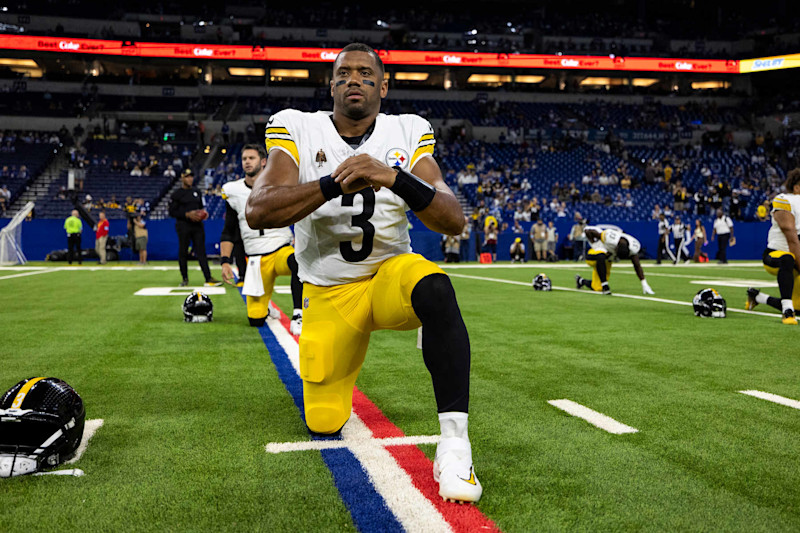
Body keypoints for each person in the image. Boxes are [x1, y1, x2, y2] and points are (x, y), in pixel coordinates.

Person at [245, 43, 481, 503]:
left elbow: (454, 221)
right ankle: (339, 377)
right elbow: (258, 210)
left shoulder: (408, 131)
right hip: (328, 293)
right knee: (324, 422)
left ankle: (455, 446)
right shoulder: (298, 126)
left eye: (366, 74)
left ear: (383, 86)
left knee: (436, 288)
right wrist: (335, 181)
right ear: (330, 84)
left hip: (388, 277)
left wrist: (394, 177)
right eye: (344, 73)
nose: (355, 80)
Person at [220, 144, 303, 333]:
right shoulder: (233, 191)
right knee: (255, 319)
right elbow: (229, 230)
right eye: (244, 159)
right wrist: (225, 261)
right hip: (256, 259)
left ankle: (299, 313)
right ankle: (266, 307)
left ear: (264, 162)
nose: (247, 162)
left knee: (298, 261)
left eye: (252, 158)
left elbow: (301, 212)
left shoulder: (281, 185)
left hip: (281, 250)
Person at [746, 169, 800, 324]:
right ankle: (787, 311)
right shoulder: (786, 200)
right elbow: (793, 240)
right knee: (787, 258)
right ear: (796, 187)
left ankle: (757, 297)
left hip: (797, 260)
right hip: (776, 255)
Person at [168, 169, 221, 286]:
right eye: (187, 177)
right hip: (183, 225)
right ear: (182, 178)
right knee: (183, 251)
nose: (190, 179)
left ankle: (208, 277)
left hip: (197, 225)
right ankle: (184, 278)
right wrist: (186, 214)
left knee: (201, 251)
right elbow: (171, 212)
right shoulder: (176, 194)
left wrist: (204, 214)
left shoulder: (197, 191)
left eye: (191, 176)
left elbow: (201, 207)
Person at [576, 227, 655, 295]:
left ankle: (581, 281)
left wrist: (644, 283)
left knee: (597, 287)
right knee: (601, 255)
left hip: (607, 259)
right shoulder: (609, 237)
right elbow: (588, 231)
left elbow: (637, 265)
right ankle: (605, 285)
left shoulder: (634, 246)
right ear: (616, 247)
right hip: (594, 255)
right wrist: (595, 246)